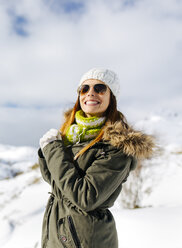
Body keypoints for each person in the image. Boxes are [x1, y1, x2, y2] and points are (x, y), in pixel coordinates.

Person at [38, 68, 155, 248]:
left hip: (87, 239)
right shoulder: (72, 137)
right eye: (84, 89)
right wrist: (47, 151)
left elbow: (85, 197)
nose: (90, 93)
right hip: (57, 235)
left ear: (111, 98)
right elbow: (56, 183)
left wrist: (53, 150)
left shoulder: (117, 147)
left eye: (100, 88)